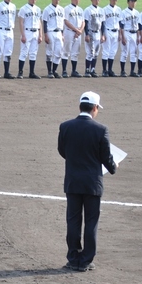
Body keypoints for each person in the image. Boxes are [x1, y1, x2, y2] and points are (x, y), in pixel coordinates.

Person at [58, 91, 117, 272]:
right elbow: (106, 157)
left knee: (73, 220)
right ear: (94, 108)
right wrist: (113, 166)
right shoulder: (100, 130)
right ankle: (85, 260)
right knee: (91, 222)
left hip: (73, 181)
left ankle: (73, 257)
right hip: (92, 183)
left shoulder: (66, 126)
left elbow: (62, 151)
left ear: (80, 106)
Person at [17, 0, 42, 79]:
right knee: (24, 52)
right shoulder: (23, 9)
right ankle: (20, 72)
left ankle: (32, 72)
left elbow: (39, 22)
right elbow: (21, 22)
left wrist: (40, 35)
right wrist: (23, 35)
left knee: (33, 53)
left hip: (36, 32)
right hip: (27, 32)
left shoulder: (38, 9)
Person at [42, 0, 65, 78]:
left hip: (59, 32)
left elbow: (62, 23)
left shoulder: (62, 9)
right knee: (49, 52)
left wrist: (62, 34)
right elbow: (44, 22)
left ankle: (54, 70)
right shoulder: (47, 9)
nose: (57, 0)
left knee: (59, 53)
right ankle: (49, 71)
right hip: (50, 32)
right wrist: (45, 34)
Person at [83, 0, 105, 78]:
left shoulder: (101, 10)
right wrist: (87, 34)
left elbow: (103, 24)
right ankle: (87, 70)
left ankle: (93, 69)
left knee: (96, 53)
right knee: (90, 53)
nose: (97, 0)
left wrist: (102, 35)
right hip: (91, 32)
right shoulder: (88, 10)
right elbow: (86, 22)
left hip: (98, 33)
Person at [62, 0, 84, 78]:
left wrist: (80, 31)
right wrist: (76, 30)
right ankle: (64, 71)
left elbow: (83, 22)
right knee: (66, 52)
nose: (77, 0)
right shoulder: (67, 9)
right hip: (69, 32)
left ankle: (74, 71)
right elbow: (66, 21)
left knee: (75, 53)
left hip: (78, 34)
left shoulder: (80, 10)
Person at [119, 0, 140, 77]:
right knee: (124, 52)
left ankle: (132, 71)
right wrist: (123, 37)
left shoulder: (137, 13)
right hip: (126, 33)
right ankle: (122, 71)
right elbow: (121, 26)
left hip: (134, 33)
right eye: (132, 1)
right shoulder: (123, 12)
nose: (133, 3)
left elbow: (138, 26)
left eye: (134, 1)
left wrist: (138, 37)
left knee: (134, 53)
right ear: (128, 2)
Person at [101, 0, 121, 77]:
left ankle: (110, 70)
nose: (114, 1)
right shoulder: (105, 9)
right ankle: (104, 70)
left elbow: (120, 22)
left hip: (116, 32)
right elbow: (102, 23)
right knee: (106, 51)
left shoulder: (119, 9)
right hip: (107, 31)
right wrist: (103, 34)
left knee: (113, 52)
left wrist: (120, 34)